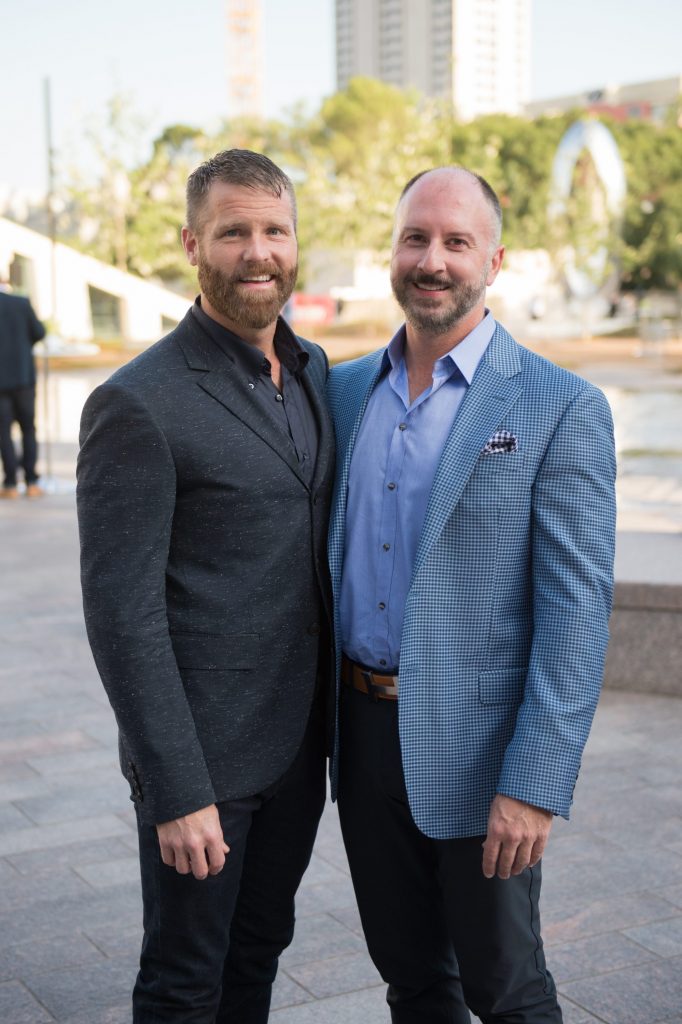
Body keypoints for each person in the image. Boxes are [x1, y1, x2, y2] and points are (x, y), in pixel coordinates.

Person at [326, 167, 616, 1023]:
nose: (433, 259)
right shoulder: (341, 391)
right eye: (416, 237)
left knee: (508, 988)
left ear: (496, 258)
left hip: (485, 752)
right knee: (413, 983)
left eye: (456, 242)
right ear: (393, 249)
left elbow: (576, 612)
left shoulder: (562, 405)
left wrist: (535, 781)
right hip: (363, 736)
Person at [77, 149, 334, 1023]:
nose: (256, 251)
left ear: (295, 243)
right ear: (193, 243)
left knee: (257, 957)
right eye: (234, 232)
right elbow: (122, 615)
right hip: (204, 767)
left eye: (273, 230)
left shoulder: (312, 371)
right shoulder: (138, 402)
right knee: (185, 980)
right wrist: (176, 788)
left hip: (300, 750)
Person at [0, 281, 46, 498]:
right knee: (28, 428)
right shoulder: (21, 302)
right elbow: (39, 332)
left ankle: (10, 484)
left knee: (3, 433)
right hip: (23, 378)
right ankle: (31, 481)